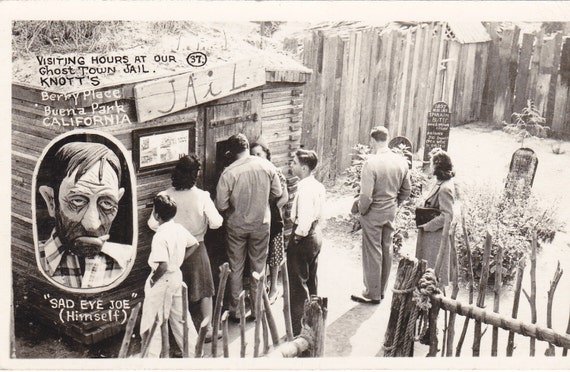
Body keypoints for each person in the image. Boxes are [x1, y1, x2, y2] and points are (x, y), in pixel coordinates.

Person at [148, 155, 223, 342]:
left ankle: (177, 334)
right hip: (197, 247)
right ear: (195, 174)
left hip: (172, 250)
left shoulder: (164, 195)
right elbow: (216, 223)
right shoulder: (202, 196)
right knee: (204, 289)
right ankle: (208, 329)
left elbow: (152, 224)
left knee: (176, 291)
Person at [37, 142, 132, 289]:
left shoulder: (130, 260)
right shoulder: (30, 261)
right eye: (77, 201)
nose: (92, 224)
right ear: (51, 201)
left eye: (107, 204)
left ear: (118, 200)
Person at [215, 134, 282, 321]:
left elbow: (221, 205)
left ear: (231, 152)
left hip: (236, 226)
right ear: (246, 147)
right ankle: (257, 306)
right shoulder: (267, 166)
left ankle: (236, 310)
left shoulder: (228, 173)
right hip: (261, 224)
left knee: (236, 267)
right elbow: (278, 192)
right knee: (258, 266)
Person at [351, 126, 411, 305]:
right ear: (387, 139)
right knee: (387, 247)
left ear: (373, 141)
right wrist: (395, 203)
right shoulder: (401, 161)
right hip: (390, 211)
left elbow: (365, 196)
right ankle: (382, 291)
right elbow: (406, 191)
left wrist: (361, 211)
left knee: (372, 251)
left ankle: (372, 293)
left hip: (373, 213)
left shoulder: (371, 163)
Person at [140, 194, 199, 358]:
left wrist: (152, 280)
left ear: (157, 215)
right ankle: (193, 353)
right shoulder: (178, 228)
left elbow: (163, 265)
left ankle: (151, 359)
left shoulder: (159, 235)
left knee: (152, 319)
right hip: (176, 276)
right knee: (181, 317)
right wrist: (178, 261)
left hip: (162, 279)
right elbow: (194, 244)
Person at [287, 149, 326, 336]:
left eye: (294, 162)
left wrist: (297, 237)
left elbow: (304, 219)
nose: (291, 165)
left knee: (297, 285)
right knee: (311, 281)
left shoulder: (305, 189)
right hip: (316, 234)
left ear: (303, 167)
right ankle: (314, 322)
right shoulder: (317, 186)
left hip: (304, 236)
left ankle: (300, 330)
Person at [250, 142, 289, 304]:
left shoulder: (275, 171)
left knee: (274, 254)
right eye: (253, 154)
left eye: (259, 154)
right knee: (261, 255)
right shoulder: (254, 172)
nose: (256, 157)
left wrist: (271, 208)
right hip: (259, 219)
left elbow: (284, 197)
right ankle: (263, 287)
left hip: (273, 218)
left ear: (266, 154)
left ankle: (274, 287)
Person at [415, 149, 456, 287]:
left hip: (435, 239)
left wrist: (426, 225)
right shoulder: (441, 183)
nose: (430, 166)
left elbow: (447, 216)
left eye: (432, 163)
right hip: (431, 237)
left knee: (432, 277)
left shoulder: (445, 188)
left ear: (438, 166)